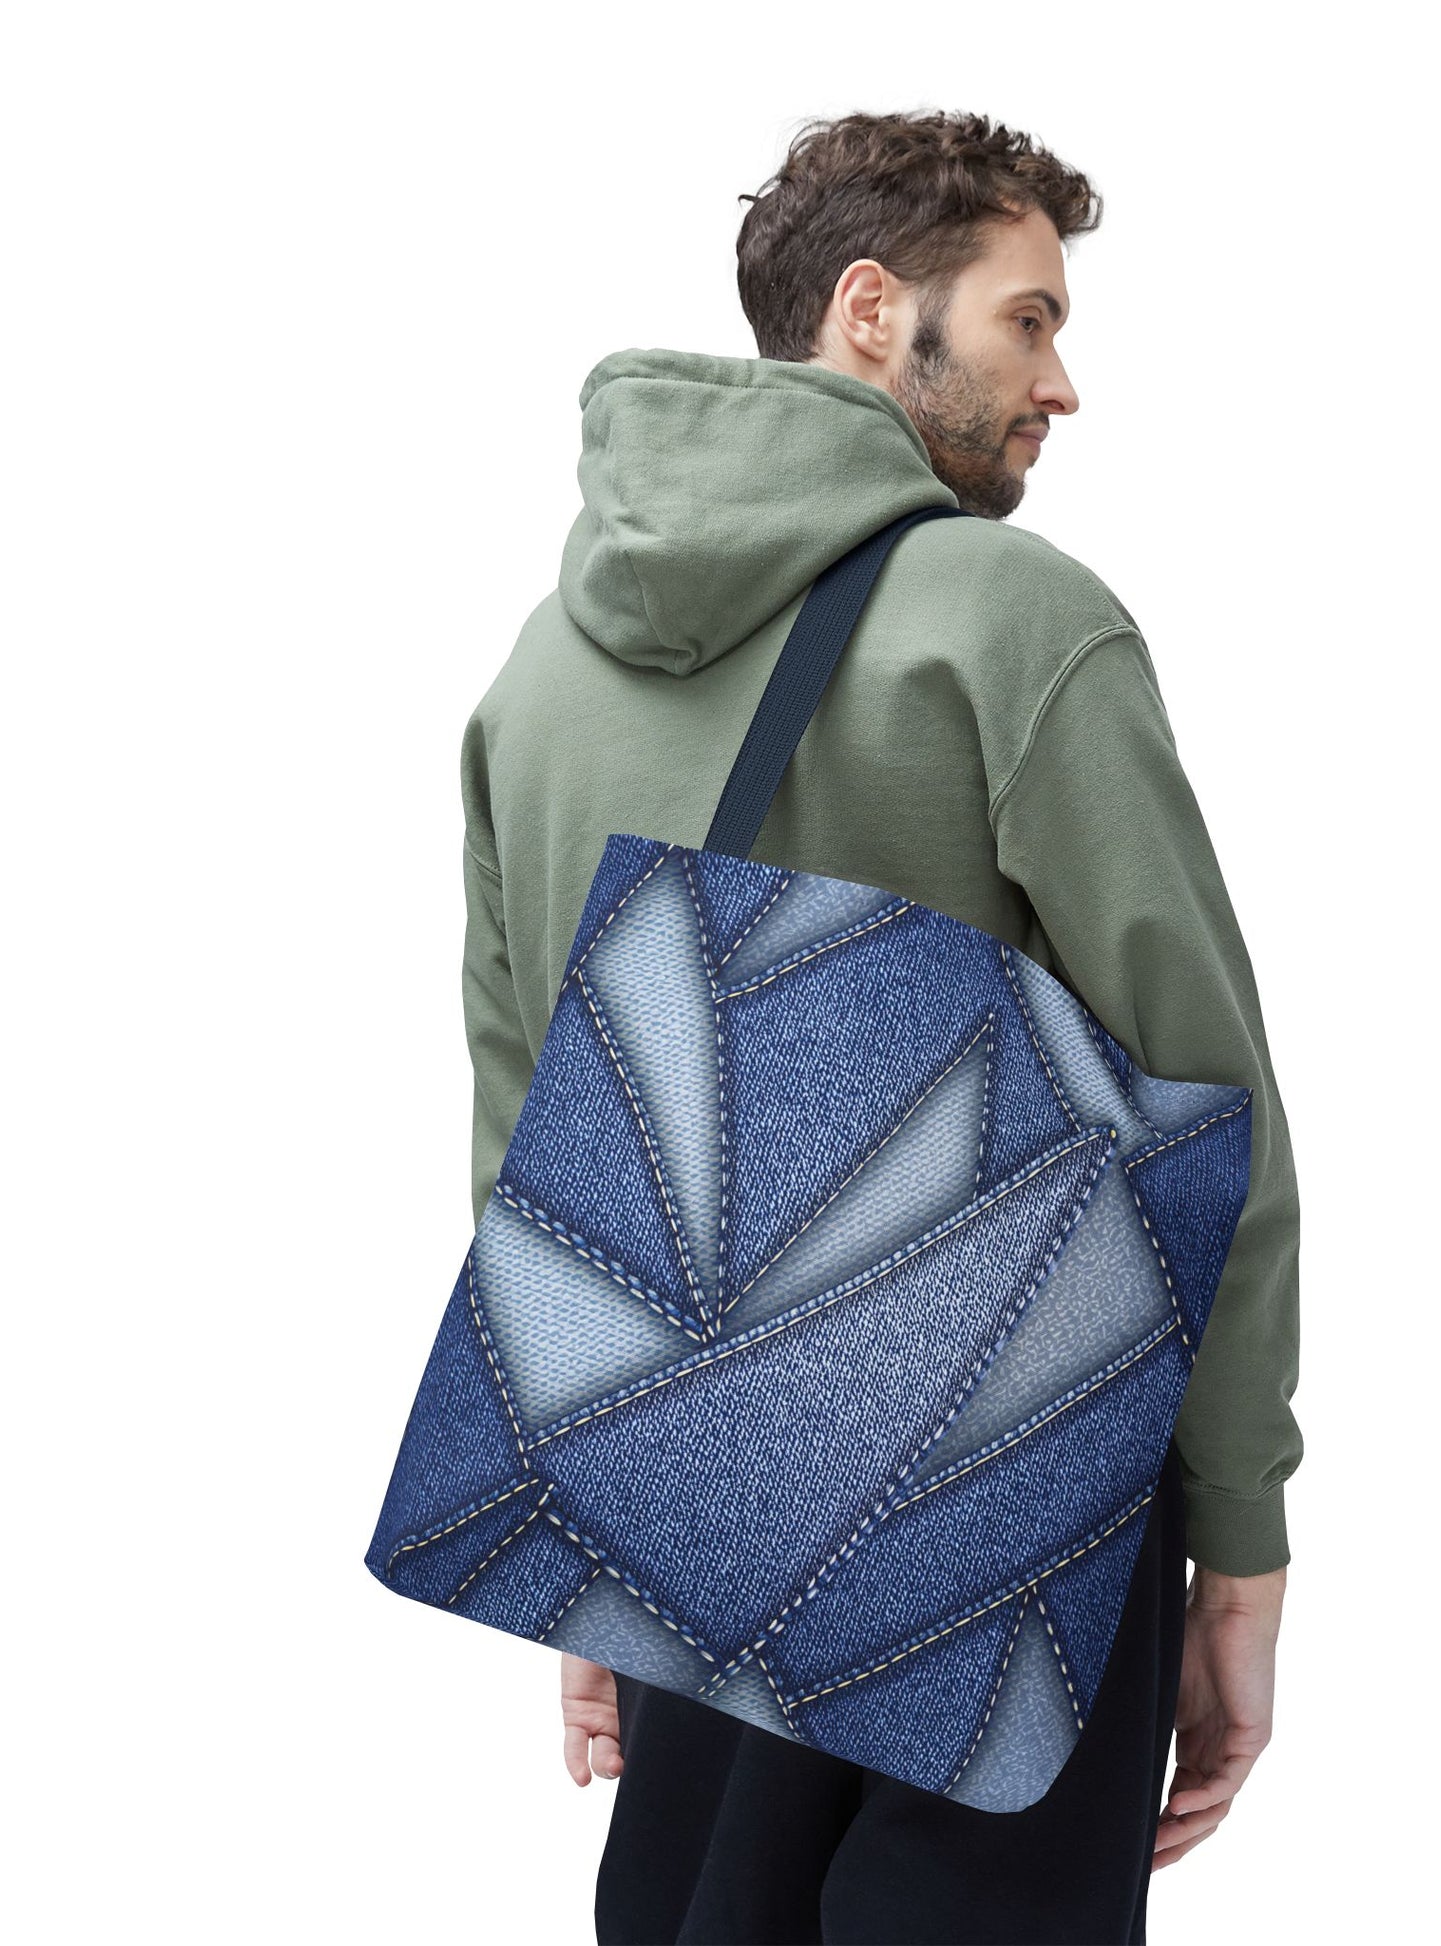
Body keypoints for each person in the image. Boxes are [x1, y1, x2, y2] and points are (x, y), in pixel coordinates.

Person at [457, 108, 1301, 1944]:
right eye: (1027, 319)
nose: (1060, 382)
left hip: (693, 1491)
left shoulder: (538, 675)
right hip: (1011, 1494)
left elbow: (534, 1133)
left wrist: (586, 1536)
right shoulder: (1011, 619)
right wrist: (1239, 1537)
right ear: (868, 310)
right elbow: (1206, 1104)